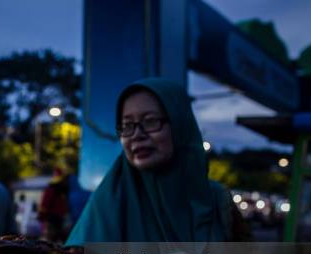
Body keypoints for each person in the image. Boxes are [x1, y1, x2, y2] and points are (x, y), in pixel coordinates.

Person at [66, 77, 249, 245]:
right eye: (127, 126)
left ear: (180, 126)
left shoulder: (219, 203)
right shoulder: (108, 203)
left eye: (150, 122)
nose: (137, 135)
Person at [38, 169, 70, 243]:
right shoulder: (65, 190)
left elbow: (44, 205)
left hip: (51, 219)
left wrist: (41, 216)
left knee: (50, 242)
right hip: (61, 219)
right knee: (60, 242)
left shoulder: (50, 189)